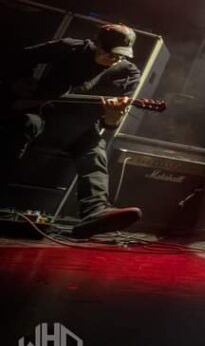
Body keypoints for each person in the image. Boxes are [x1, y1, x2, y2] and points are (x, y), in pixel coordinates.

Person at [1, 24, 143, 237]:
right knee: (25, 123)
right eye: (110, 53)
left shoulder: (128, 73)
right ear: (97, 44)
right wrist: (20, 82)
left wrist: (113, 115)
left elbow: (110, 125)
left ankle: (96, 212)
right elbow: (21, 56)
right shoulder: (71, 48)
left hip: (80, 129)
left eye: (121, 55)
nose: (115, 59)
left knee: (95, 151)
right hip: (43, 114)